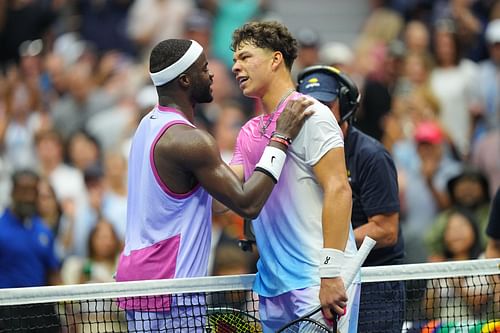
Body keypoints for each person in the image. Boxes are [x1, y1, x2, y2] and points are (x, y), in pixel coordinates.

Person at [114, 38, 312, 332]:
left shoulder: (148, 125)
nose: (212, 75)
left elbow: (213, 201)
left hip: (143, 283)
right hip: (171, 290)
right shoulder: (190, 140)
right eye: (204, 69)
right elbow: (247, 203)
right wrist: (279, 139)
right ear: (185, 80)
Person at [230, 22, 356, 332]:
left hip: (317, 281)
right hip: (273, 287)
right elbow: (228, 196)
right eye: (234, 59)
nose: (235, 66)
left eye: (245, 57)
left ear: (275, 60)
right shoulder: (248, 131)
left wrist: (329, 274)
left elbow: (339, 190)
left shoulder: (311, 114)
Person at [297, 65, 405, 333]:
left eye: (325, 104)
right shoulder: (298, 153)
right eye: (308, 106)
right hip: (323, 277)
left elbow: (386, 230)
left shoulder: (371, 156)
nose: (316, 113)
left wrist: (327, 245)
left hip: (374, 285)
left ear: (345, 106)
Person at [0, 169, 61, 332]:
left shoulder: (43, 230)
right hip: (7, 313)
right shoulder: (0, 229)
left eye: (32, 191)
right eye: (23, 191)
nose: (27, 197)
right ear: (12, 192)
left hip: (41, 312)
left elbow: (52, 272)